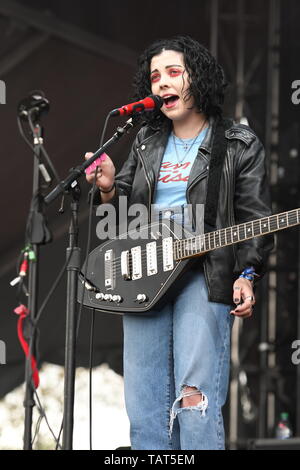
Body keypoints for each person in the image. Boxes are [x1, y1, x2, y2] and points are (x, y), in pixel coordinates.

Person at [85, 36, 273, 450]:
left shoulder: (238, 143)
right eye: (154, 77)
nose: (161, 84)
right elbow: (120, 206)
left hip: (202, 273)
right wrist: (104, 187)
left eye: (173, 73)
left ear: (199, 77)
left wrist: (247, 273)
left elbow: (255, 218)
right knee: (145, 406)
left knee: (194, 397)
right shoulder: (145, 141)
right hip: (143, 273)